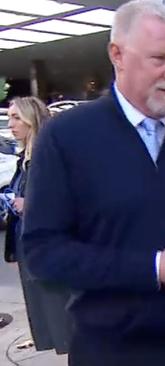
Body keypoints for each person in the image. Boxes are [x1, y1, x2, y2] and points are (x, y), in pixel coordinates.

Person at [21, 1, 165, 365]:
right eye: (159, 58)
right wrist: (157, 269)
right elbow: (43, 253)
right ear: (118, 55)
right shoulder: (66, 137)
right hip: (109, 350)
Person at [3, 96, 71, 354]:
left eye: (16, 117)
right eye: (9, 117)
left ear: (31, 120)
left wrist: (27, 204)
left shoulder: (49, 154)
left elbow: (65, 199)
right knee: (48, 316)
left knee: (62, 317)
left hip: (47, 247)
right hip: (28, 244)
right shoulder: (25, 158)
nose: (11, 124)